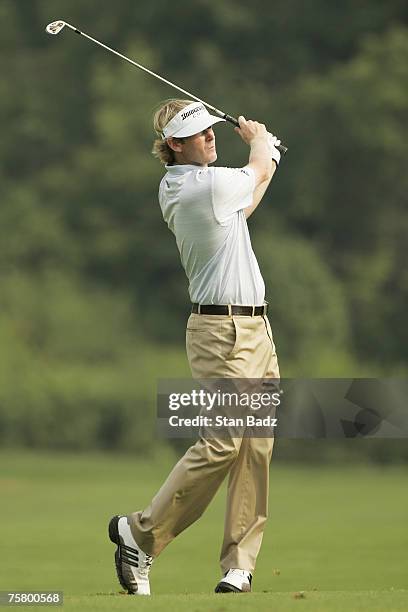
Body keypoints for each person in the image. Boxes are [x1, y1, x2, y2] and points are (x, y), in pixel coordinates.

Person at [108, 99, 281, 595]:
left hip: (256, 330)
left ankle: (239, 565)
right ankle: (139, 534)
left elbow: (247, 201)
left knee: (254, 447)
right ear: (175, 146)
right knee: (225, 441)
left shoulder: (205, 189)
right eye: (198, 133)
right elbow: (255, 167)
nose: (210, 137)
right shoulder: (200, 186)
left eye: (212, 129)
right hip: (222, 332)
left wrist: (266, 162)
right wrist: (261, 141)